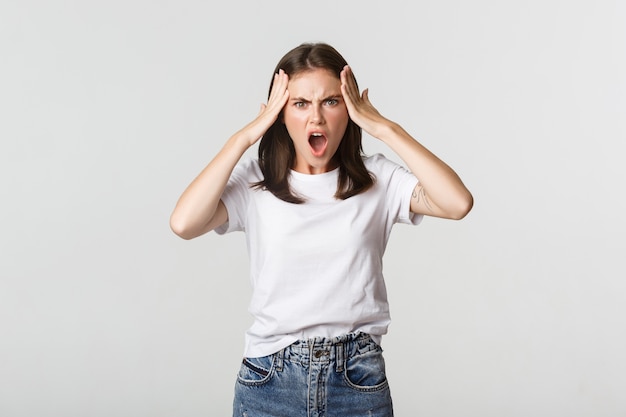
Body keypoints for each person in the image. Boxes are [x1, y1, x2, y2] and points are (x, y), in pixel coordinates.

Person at [170, 42, 473, 417]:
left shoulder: (377, 179)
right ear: (280, 114)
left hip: (357, 379)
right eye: (300, 104)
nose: (316, 117)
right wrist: (244, 138)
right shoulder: (255, 183)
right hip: (269, 380)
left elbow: (457, 203)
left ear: (349, 110)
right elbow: (184, 223)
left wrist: (385, 128)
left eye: (331, 101)